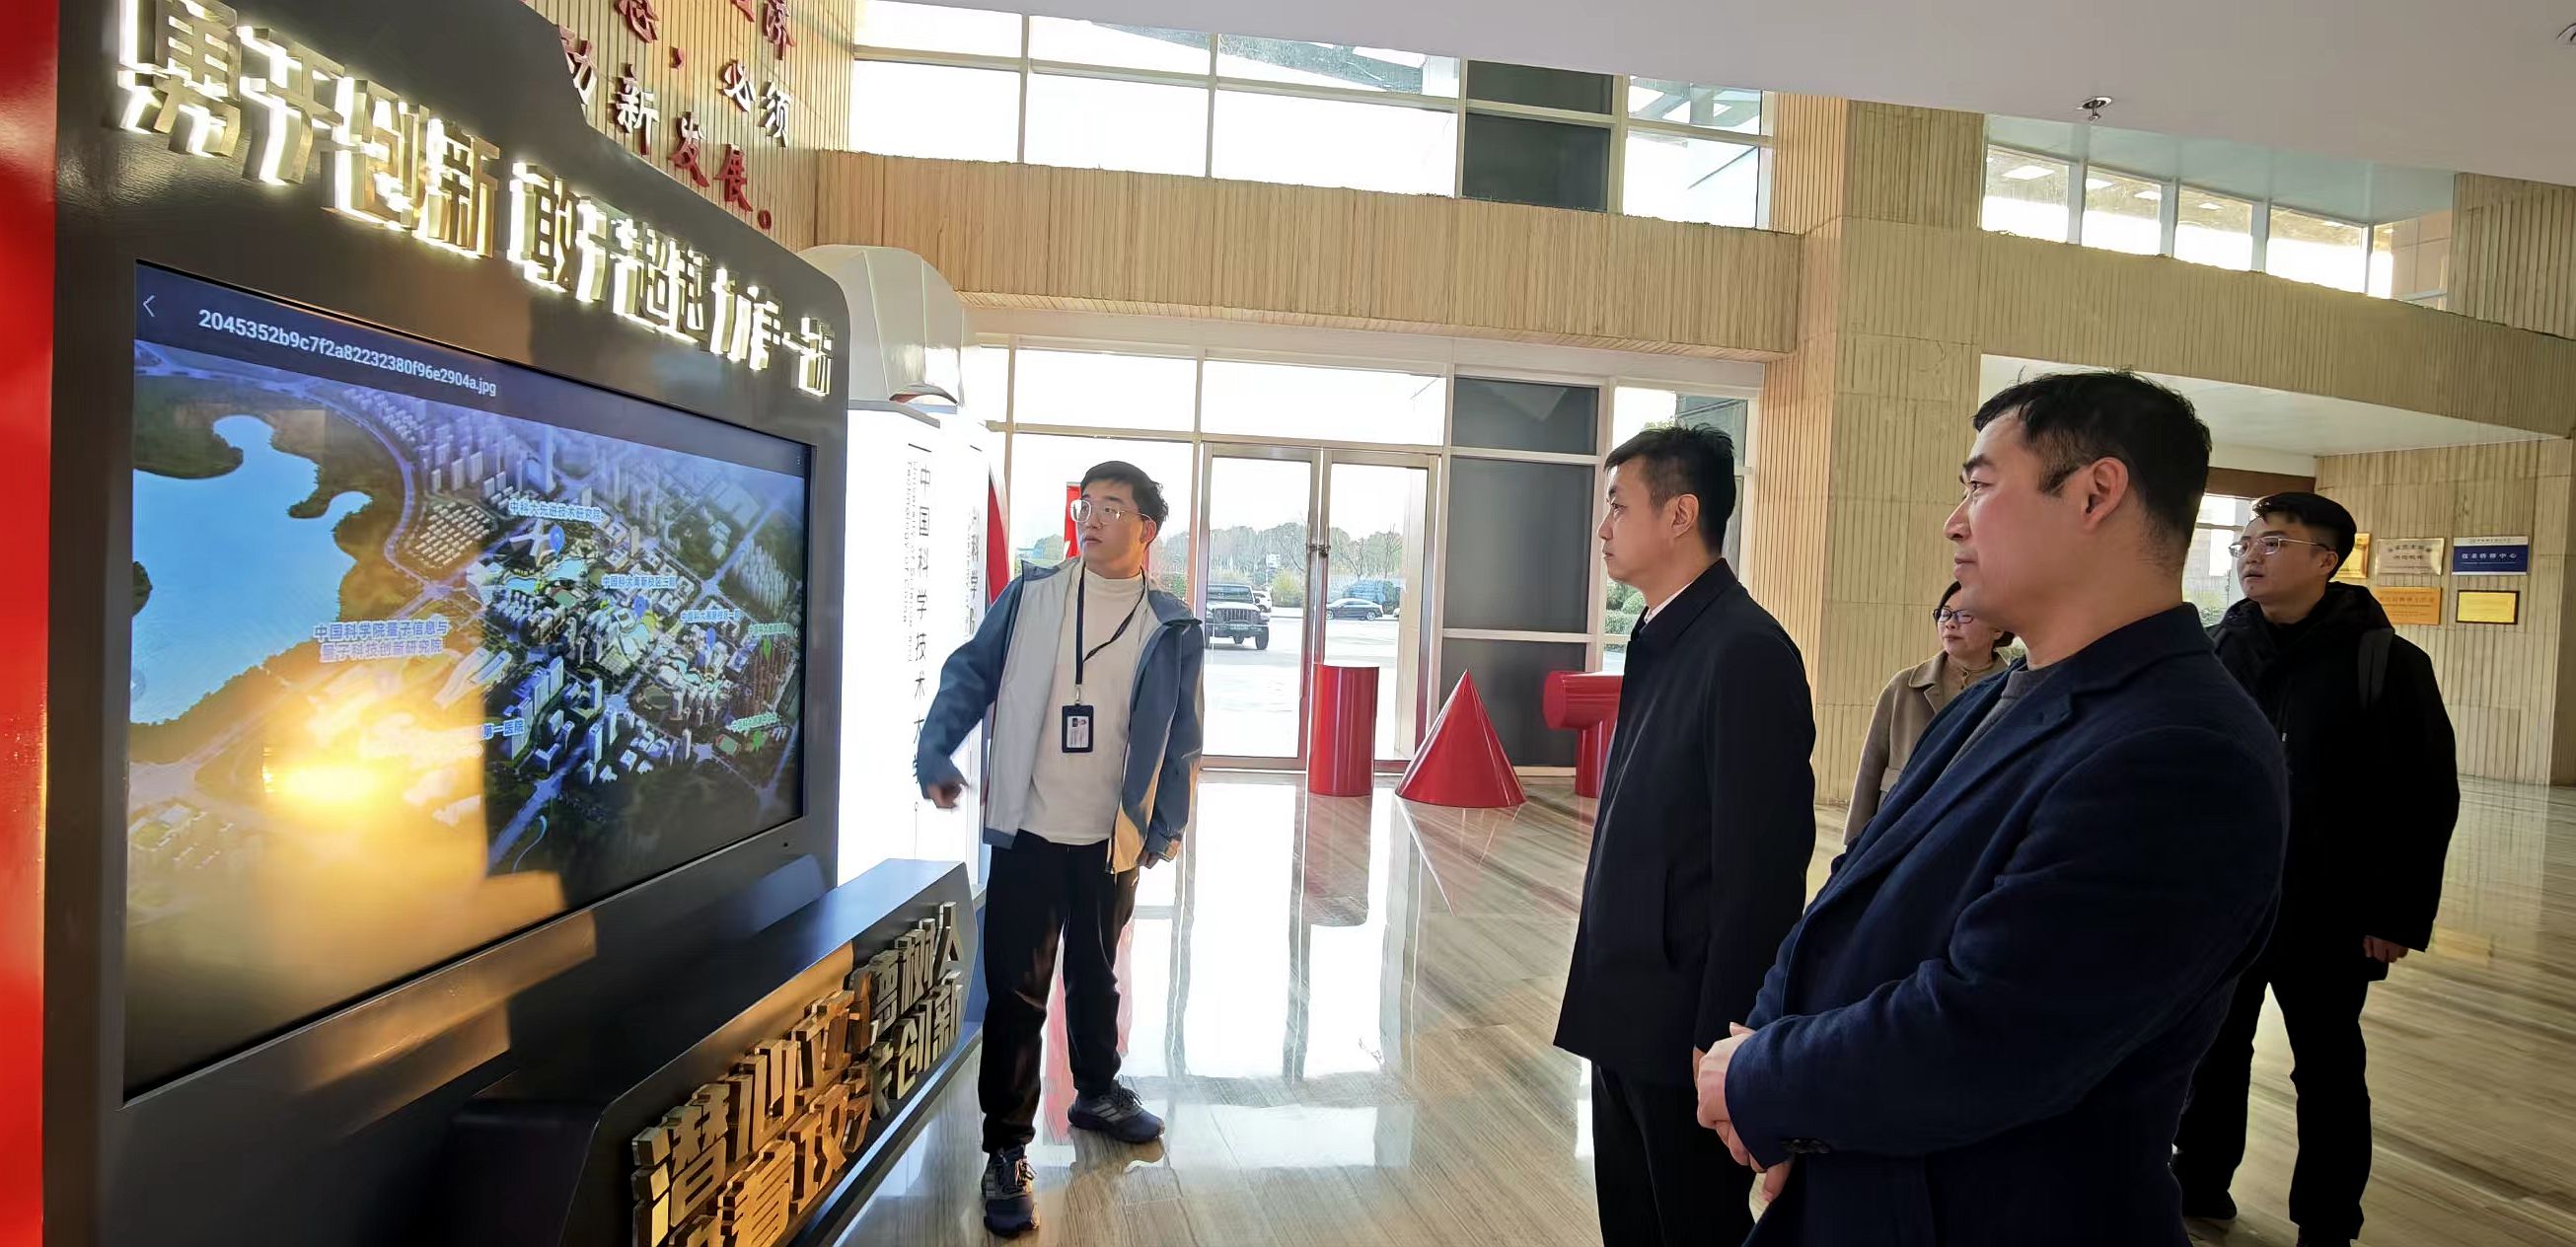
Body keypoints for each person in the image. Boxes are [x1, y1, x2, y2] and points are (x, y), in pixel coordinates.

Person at [1694, 371, 2288, 1244]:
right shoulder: (1989, 700)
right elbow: (1847, 897)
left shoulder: (2182, 750)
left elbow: (1990, 1033)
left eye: (1979, 486)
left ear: (2095, 493)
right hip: (1860, 1175)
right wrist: (1766, 1076)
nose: (1953, 520)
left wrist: (1761, 1080)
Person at [915, 462, 1206, 1239]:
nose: (1092, 519)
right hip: (1030, 827)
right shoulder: (1032, 595)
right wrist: (936, 749)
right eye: (1086, 506)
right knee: (1016, 991)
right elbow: (969, 675)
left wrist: (1165, 825)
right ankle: (1006, 1149)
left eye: (1112, 508)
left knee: (1096, 974)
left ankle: (1097, 1092)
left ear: (1146, 529)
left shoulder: (1171, 626)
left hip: (1111, 836)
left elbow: (1183, 736)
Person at [1552, 424, 1816, 1247]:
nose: (1602, 528)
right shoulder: (1662, 632)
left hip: (1682, 1025)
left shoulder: (1745, 652)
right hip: (1625, 1002)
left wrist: (1724, 1038)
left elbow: (1760, 873)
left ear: (1679, 515)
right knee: (1632, 1222)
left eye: (1617, 506)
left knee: (1689, 1227)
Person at [2171, 491, 2457, 1247]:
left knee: (2327, 1070)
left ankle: (2327, 1219)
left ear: (2325, 560)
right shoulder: (2212, 652)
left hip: (2329, 911)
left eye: (2273, 542)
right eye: (2245, 542)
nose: (2250, 555)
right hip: (2224, 906)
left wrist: (2395, 915)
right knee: (2209, 1052)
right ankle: (2198, 1180)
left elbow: (2424, 796)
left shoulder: (2385, 663)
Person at [1846, 582, 2014, 835]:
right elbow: (1870, 768)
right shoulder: (1904, 686)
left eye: (1965, 614)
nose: (1950, 623)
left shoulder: (2013, 693)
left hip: (1972, 833)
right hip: (1897, 830)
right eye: (1945, 614)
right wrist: (1854, 842)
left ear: (1998, 628)